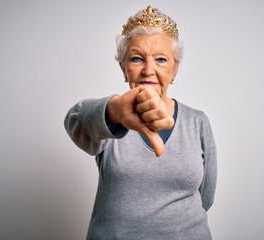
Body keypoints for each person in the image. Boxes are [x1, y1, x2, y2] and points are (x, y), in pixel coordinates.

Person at [64, 5, 217, 239]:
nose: (148, 70)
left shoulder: (197, 122)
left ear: (175, 69)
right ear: (124, 69)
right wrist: (113, 111)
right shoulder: (110, 120)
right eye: (136, 58)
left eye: (161, 60)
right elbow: (75, 120)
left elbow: (205, 197)